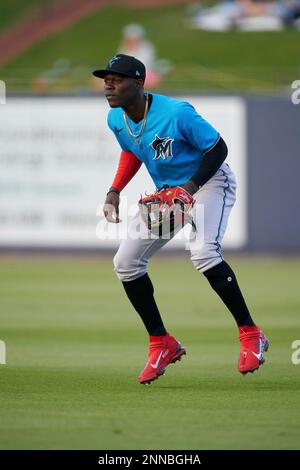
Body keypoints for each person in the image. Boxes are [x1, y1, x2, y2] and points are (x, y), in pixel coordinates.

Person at [92, 54, 269, 385]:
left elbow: (218, 149)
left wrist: (189, 189)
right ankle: (162, 343)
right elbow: (132, 150)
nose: (109, 84)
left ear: (139, 83)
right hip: (168, 193)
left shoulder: (176, 113)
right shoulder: (116, 118)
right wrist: (114, 189)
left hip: (209, 181)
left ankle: (250, 333)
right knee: (126, 262)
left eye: (117, 78)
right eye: (106, 78)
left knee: (203, 252)